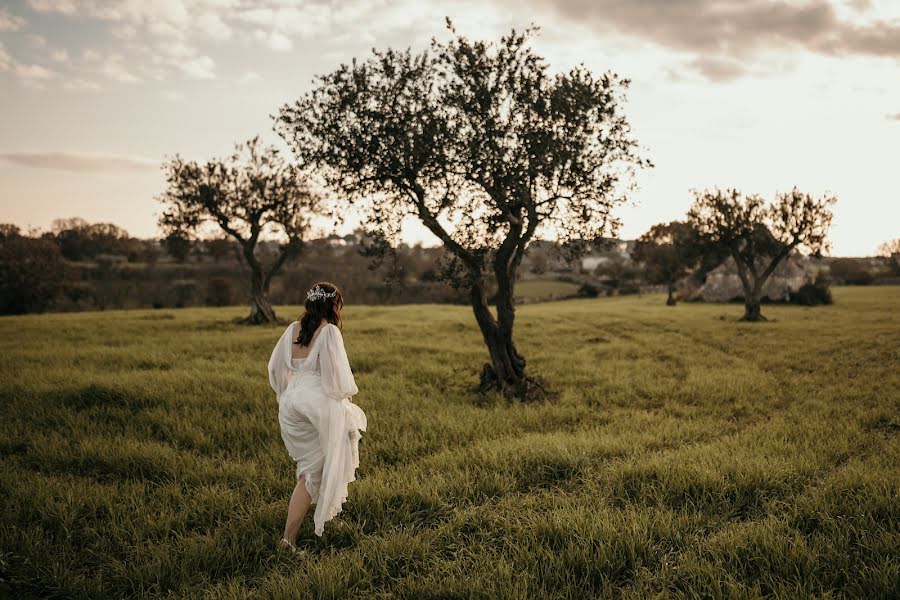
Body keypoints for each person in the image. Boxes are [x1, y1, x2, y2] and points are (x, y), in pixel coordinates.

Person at [267, 281, 367, 553]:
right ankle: (288, 541)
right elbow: (340, 383)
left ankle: (325, 514)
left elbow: (275, 369)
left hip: (291, 404)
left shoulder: (292, 329)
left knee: (317, 467)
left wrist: (290, 393)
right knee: (312, 473)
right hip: (316, 405)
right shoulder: (330, 332)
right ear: (334, 305)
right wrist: (343, 406)